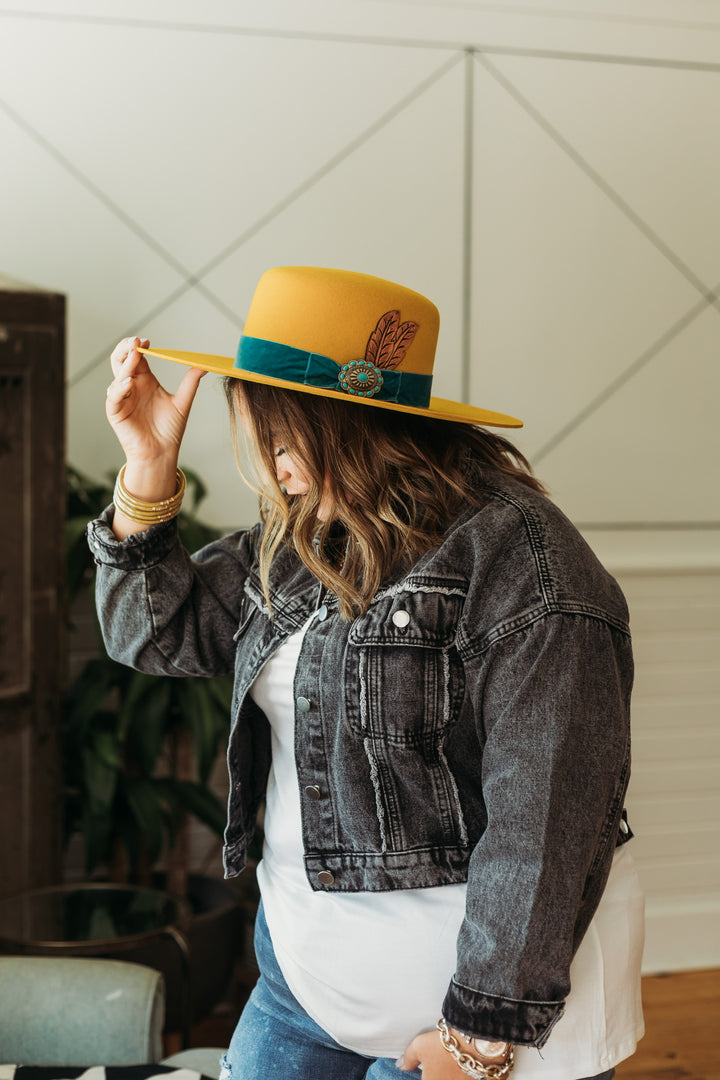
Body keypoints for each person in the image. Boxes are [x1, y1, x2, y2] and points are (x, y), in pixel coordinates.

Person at [89, 267, 644, 1080]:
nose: (272, 469)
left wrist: (481, 1038)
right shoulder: (311, 535)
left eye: (285, 441)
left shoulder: (527, 562)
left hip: (473, 1023)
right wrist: (147, 471)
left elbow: (550, 817)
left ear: (351, 425)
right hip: (303, 983)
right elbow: (152, 634)